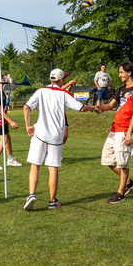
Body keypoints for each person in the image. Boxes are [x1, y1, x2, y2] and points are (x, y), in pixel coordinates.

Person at [22, 69, 99, 211]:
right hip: (56, 137)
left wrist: (28, 126)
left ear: (51, 79)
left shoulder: (40, 91)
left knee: (35, 165)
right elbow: (81, 108)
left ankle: (31, 194)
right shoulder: (64, 94)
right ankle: (52, 201)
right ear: (62, 80)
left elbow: (26, 107)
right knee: (53, 169)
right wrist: (93, 107)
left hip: (39, 134)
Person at [97, 61, 133, 203]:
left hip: (124, 131)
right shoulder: (122, 89)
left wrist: (129, 133)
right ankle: (128, 182)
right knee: (107, 159)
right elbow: (110, 105)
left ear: (129, 73)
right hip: (114, 129)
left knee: (122, 163)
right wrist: (95, 107)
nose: (119, 75)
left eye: (121, 72)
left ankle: (121, 193)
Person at [0, 73, 22, 170]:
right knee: (4, 139)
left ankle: (10, 159)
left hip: (2, 118)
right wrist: (11, 122)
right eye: (3, 78)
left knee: (8, 138)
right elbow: (0, 111)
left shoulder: (1, 91)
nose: (5, 80)